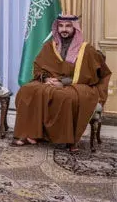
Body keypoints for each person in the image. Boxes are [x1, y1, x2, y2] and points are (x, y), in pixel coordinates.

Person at [12, 15, 111, 152]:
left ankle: (68, 140)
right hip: (51, 81)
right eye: (61, 26)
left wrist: (63, 83)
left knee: (66, 97)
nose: (64, 29)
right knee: (27, 90)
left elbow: (90, 75)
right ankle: (28, 133)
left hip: (77, 84)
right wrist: (46, 79)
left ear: (75, 28)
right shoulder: (50, 46)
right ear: (57, 28)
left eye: (68, 26)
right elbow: (39, 67)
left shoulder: (86, 49)